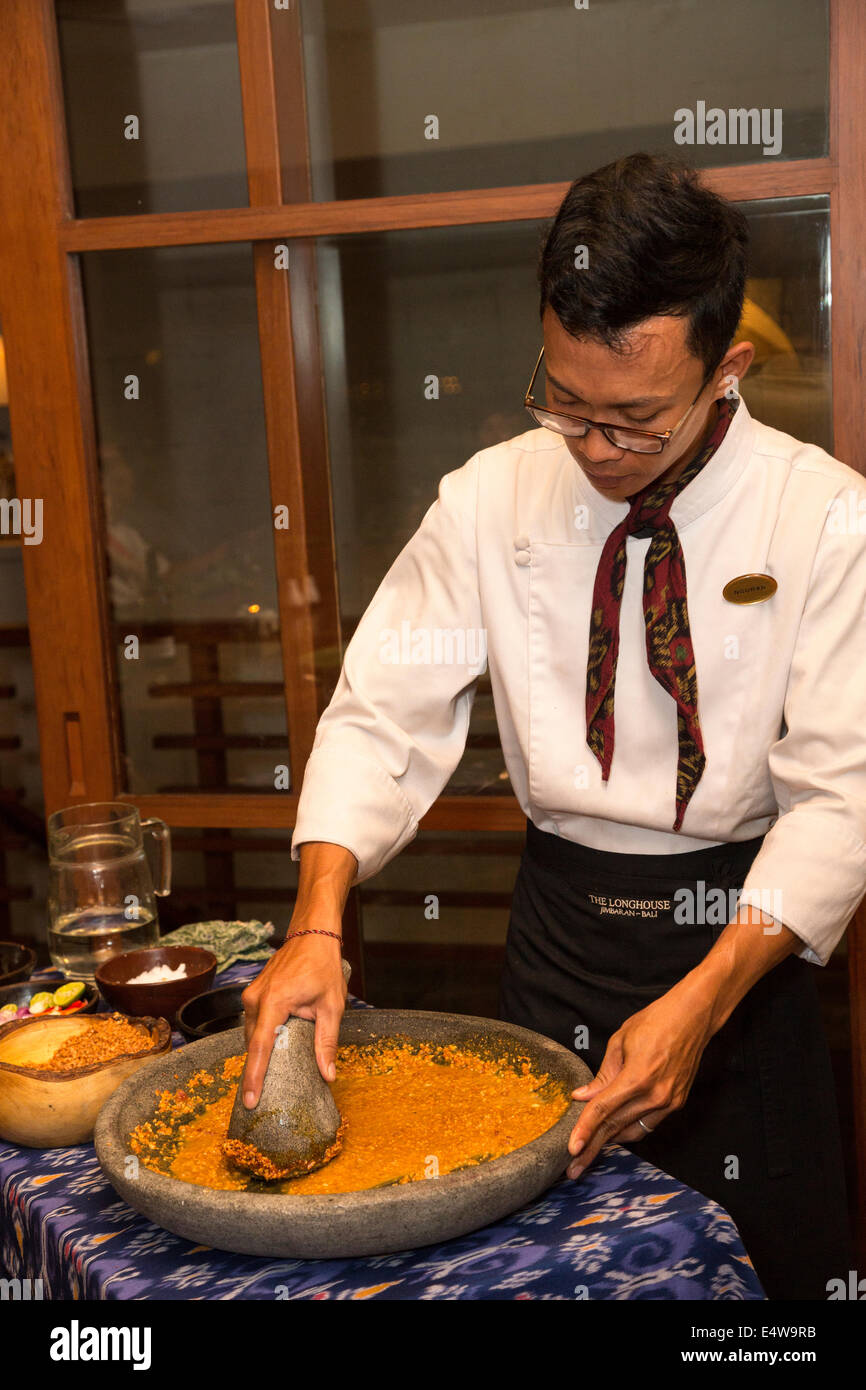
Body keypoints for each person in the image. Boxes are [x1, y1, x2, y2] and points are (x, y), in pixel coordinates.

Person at [240, 153, 865, 1300]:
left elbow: (840, 795)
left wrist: (704, 1000)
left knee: (760, 1285)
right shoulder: (490, 496)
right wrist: (316, 926)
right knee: (532, 1270)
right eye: (563, 402)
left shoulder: (821, 515)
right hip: (556, 940)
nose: (589, 447)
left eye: (632, 419)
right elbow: (384, 708)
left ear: (723, 370)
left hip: (740, 948)